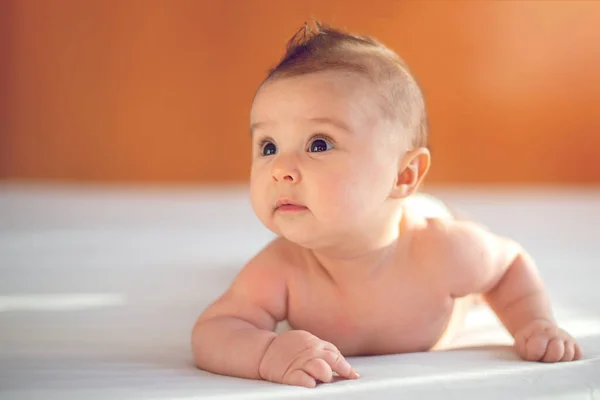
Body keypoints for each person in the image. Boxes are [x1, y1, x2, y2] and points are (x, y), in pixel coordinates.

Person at [191, 21, 582, 388]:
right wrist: (265, 352)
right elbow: (215, 330)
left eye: (319, 144)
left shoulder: (443, 251)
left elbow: (509, 263)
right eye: (268, 146)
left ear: (403, 175)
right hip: (390, 209)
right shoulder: (281, 268)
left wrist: (534, 322)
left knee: (469, 258)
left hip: (425, 217)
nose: (280, 169)